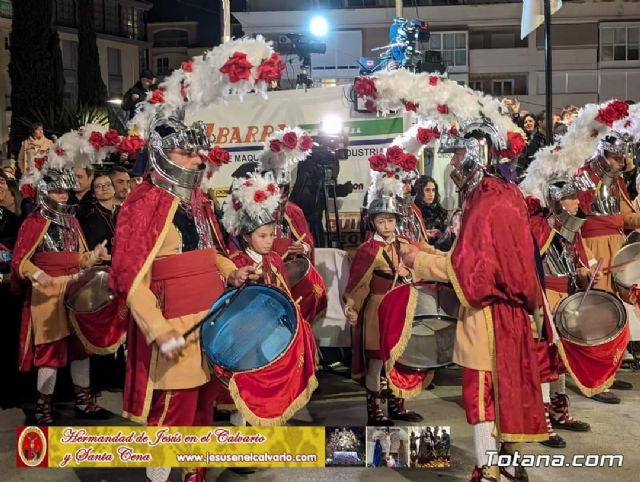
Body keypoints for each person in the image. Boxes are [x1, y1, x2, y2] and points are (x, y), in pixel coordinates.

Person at [400, 121, 546, 482]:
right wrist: (430, 250)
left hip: (488, 315)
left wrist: (418, 260)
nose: (453, 165)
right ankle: (510, 465)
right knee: (508, 390)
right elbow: (475, 258)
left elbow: (473, 274)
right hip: (510, 313)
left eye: (459, 154)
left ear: (477, 154)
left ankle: (489, 467)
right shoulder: (503, 193)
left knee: (480, 393)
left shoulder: (486, 199)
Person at [11, 167, 112, 425]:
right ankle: (43, 407)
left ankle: (83, 401)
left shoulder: (73, 221)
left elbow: (80, 258)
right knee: (50, 350)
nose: (64, 196)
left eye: (65, 191)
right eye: (57, 191)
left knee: (81, 348)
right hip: (47, 293)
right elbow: (20, 261)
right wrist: (37, 275)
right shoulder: (33, 222)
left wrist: (94, 256)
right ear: (44, 193)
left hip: (75, 287)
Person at [526, 178, 597, 449]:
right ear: (556, 201)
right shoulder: (537, 227)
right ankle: (541, 419)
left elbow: (574, 263)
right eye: (571, 198)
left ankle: (558, 410)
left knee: (562, 359)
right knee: (545, 359)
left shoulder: (572, 229)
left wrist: (583, 274)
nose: (577, 202)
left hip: (567, 298)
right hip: (545, 299)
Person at [344, 191, 423, 426]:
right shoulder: (367, 250)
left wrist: (409, 271)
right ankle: (375, 411)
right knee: (376, 361)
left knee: (400, 359)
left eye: (390, 220)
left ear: (397, 221)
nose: (386, 225)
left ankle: (398, 405)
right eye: (381, 221)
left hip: (402, 308)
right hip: (377, 311)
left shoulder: (407, 246)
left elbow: (421, 271)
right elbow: (357, 284)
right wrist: (352, 307)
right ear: (373, 223)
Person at [575, 130, 639, 403]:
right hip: (595, 251)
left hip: (616, 250)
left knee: (617, 315)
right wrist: (586, 259)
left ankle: (608, 373)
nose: (620, 164)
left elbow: (625, 219)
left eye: (622, 159)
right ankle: (596, 381)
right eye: (615, 158)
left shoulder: (615, 182)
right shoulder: (582, 179)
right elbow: (572, 225)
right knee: (596, 319)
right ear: (602, 154)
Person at [77, 173, 118, 253]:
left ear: (114, 189)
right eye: (98, 186)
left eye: (108, 185)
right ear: (93, 194)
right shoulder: (88, 218)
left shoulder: (124, 212)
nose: (104, 188)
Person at [413, 176, 448, 244]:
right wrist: (422, 234)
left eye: (433, 190)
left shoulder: (440, 211)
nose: (431, 194)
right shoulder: (413, 212)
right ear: (419, 192)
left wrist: (440, 234)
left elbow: (448, 240)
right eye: (427, 190)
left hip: (441, 251)